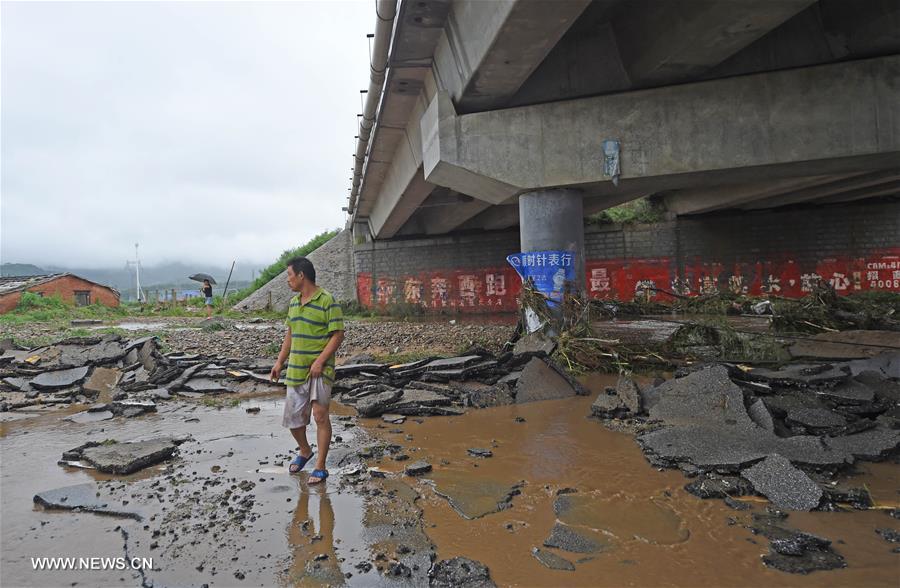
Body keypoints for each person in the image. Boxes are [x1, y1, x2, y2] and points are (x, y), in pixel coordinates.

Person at [270, 257, 344, 485]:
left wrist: (320, 361)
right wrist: (279, 362)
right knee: (294, 419)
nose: (288, 280)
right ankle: (305, 450)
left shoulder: (327, 300)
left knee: (320, 415)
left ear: (301, 275)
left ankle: (320, 466)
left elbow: (338, 334)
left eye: (289, 275)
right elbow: (290, 335)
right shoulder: (294, 303)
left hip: (320, 370)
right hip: (296, 369)